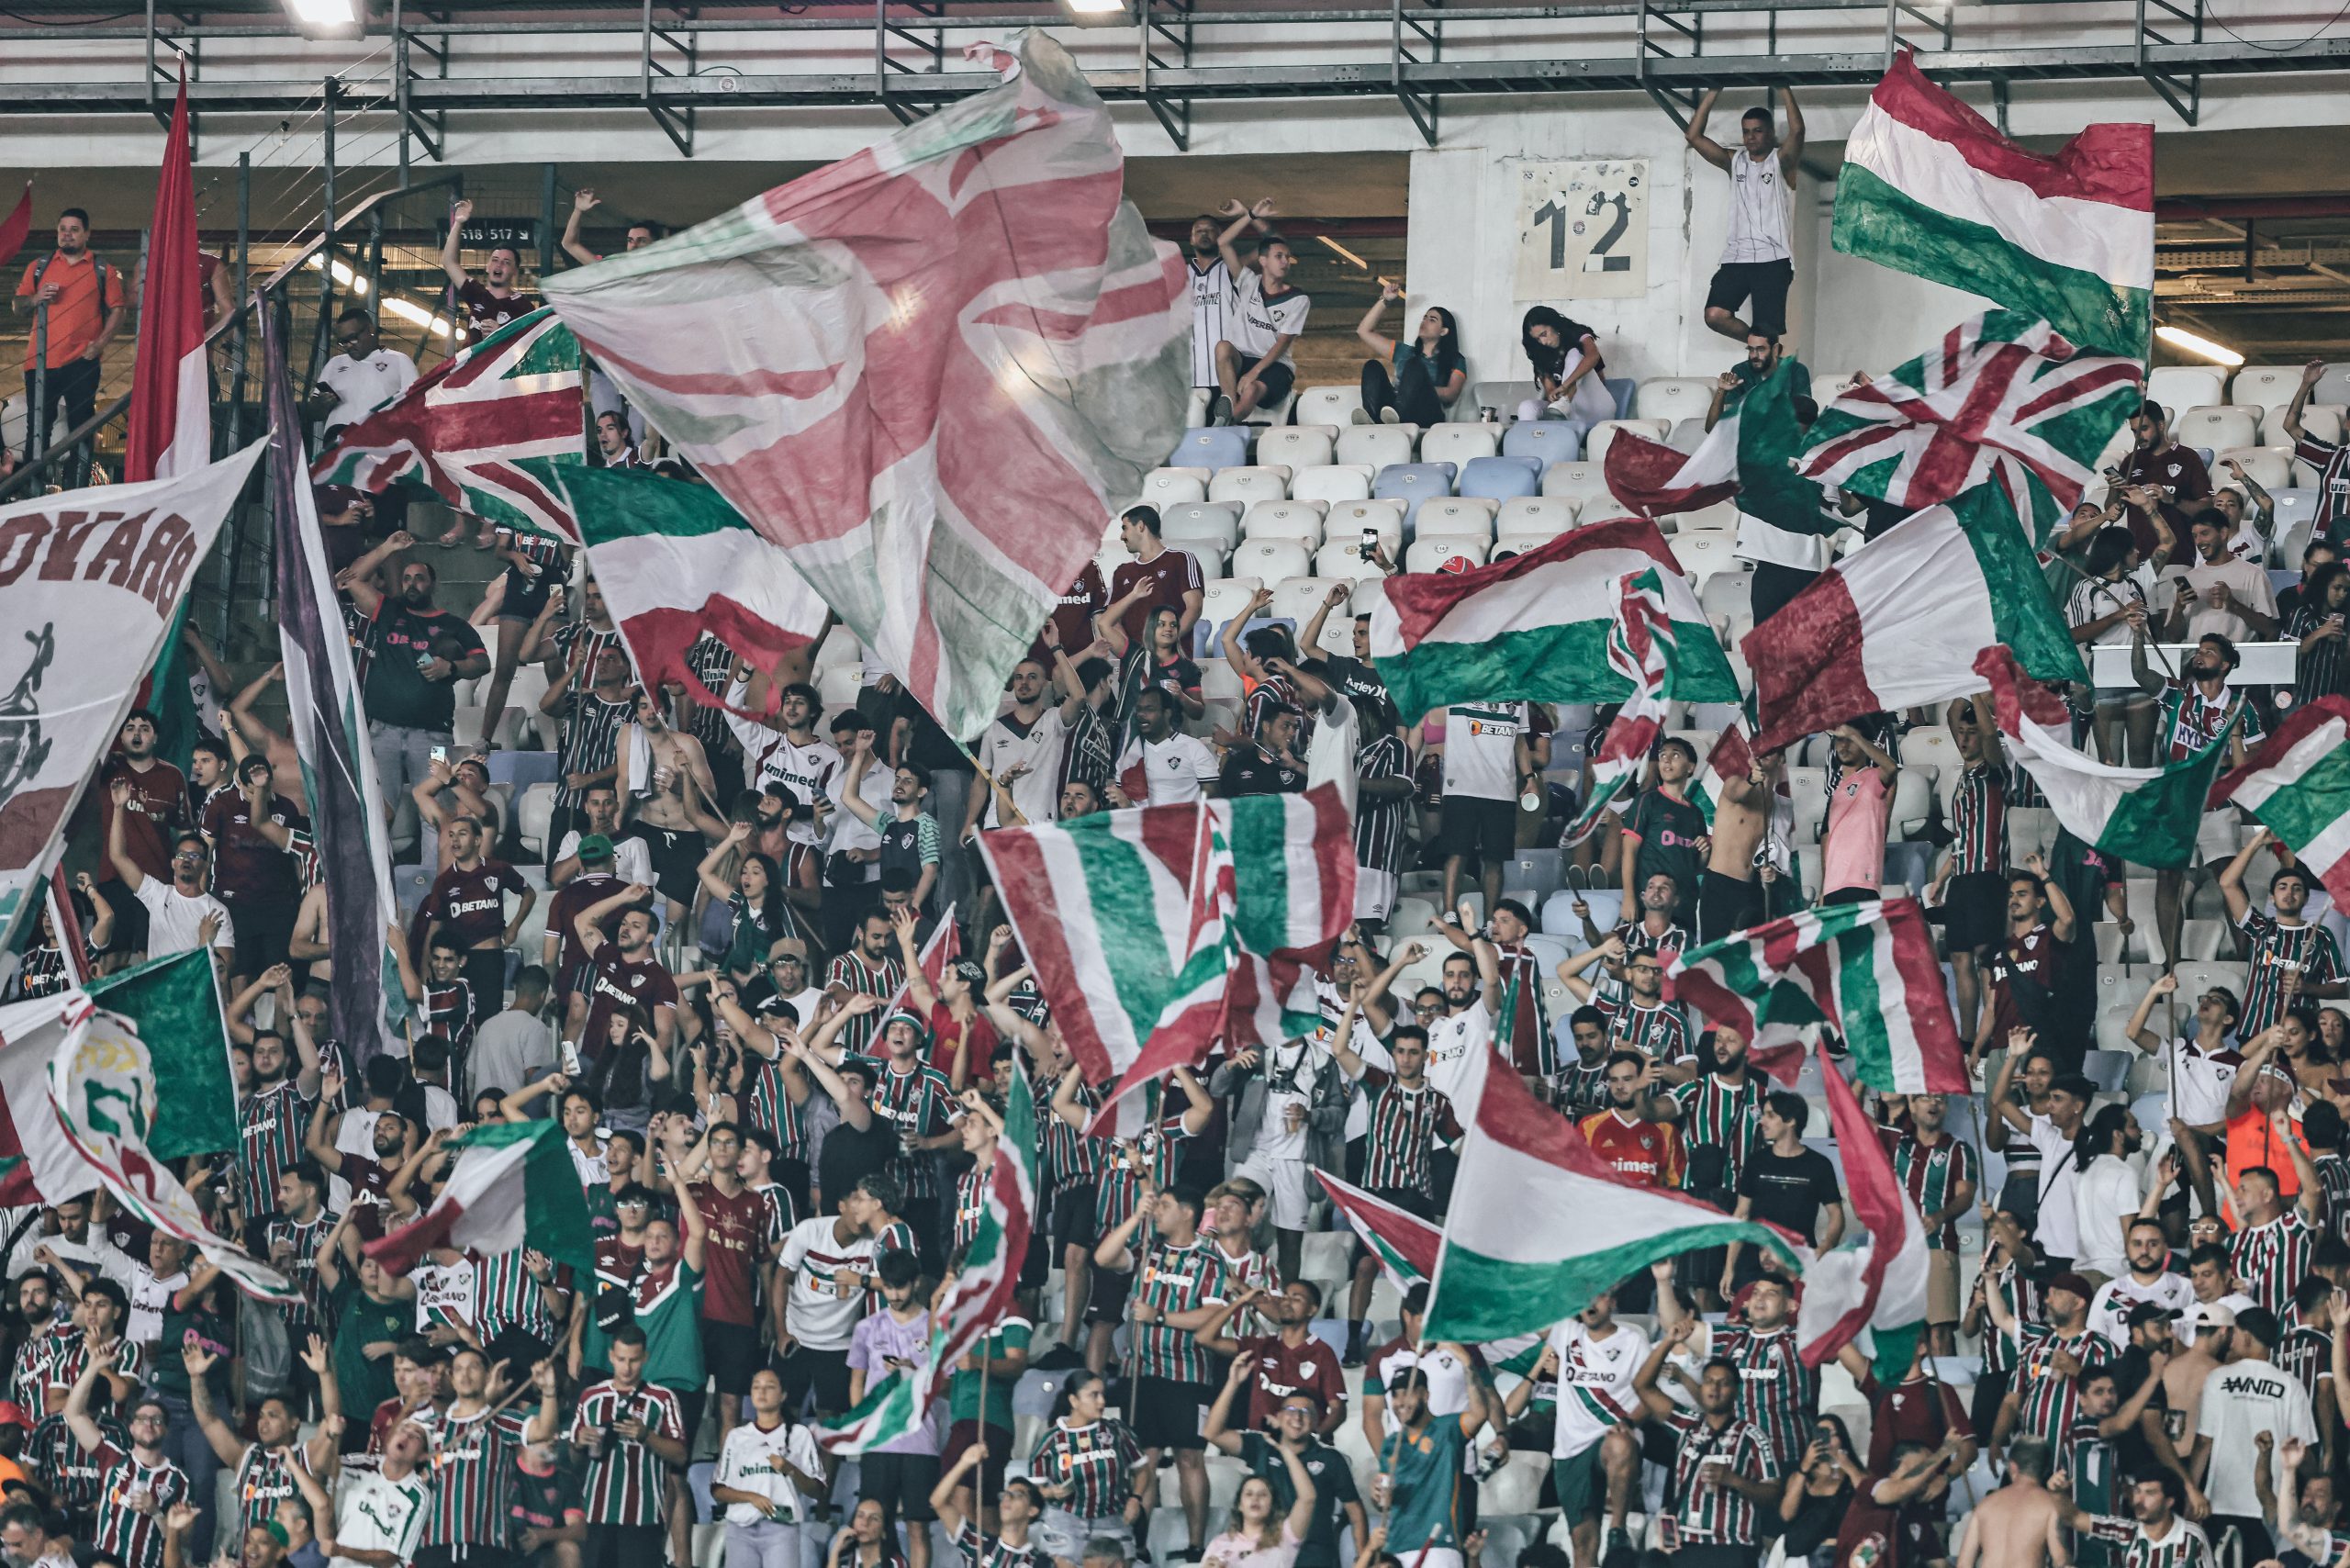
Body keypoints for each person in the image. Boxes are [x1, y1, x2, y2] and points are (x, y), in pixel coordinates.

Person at [343, 534, 491, 824]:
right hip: (383, 732)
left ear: (432, 584)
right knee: (377, 812)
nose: (412, 584)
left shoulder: (453, 624)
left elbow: (482, 663)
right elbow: (350, 579)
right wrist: (387, 548)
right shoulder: (387, 610)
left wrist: (450, 667)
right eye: (407, 578)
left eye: (420, 578)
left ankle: (438, 871)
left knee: (436, 810)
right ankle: (378, 871)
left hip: (434, 735)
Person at [1626, 1326, 1786, 1568]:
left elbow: (1773, 1493)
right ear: (1702, 1388)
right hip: (1684, 1544)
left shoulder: (1753, 1436)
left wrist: (1735, 1480)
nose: (1715, 1388)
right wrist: (1668, 1340)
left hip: (1732, 1546)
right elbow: (1642, 1386)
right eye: (1709, 1381)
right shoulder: (1686, 1426)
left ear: (1736, 1391)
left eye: (1723, 1383)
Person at [2191, 1305, 2315, 1562]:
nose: (2231, 1340)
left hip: (2221, 1503)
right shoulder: (2291, 1386)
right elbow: (2303, 1451)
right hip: (2273, 1508)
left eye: (2235, 1334)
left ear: (2247, 1337)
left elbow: (2204, 1443)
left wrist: (2190, 1493)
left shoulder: (2218, 1378)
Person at [13, 207, 125, 487]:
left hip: (82, 361)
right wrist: (37, 297)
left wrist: (100, 344)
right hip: (40, 361)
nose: (67, 235)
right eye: (63, 229)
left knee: (82, 429)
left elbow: (119, 310)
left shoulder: (103, 269)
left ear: (86, 233)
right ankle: (32, 493)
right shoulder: (38, 267)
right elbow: (18, 306)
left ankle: (76, 494)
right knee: (36, 430)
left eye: (74, 230)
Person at [1684, 88, 1804, 343]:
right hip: (1737, 257)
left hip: (1773, 258)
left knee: (1766, 328)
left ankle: (1765, 349)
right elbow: (1693, 136)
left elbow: (1797, 132)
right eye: (1746, 131)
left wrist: (1784, 89)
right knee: (1714, 315)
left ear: (1770, 133)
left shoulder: (1781, 161)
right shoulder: (1734, 161)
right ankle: (1763, 346)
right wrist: (1713, 92)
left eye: (1757, 130)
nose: (1751, 137)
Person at [1372, 1364, 1494, 1568]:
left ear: (1425, 1395)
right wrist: (1376, 1496)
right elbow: (1385, 1501)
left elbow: (1480, 1414)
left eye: (1408, 1393)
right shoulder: (1391, 1444)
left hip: (1438, 1543)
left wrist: (1466, 1363)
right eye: (1396, 1395)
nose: (1401, 1402)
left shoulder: (1448, 1428)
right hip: (1396, 1548)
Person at [106, 784, 233, 973]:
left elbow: (224, 971)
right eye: (182, 855)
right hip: (161, 995)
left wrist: (203, 943)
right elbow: (118, 856)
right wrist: (118, 808)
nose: (187, 860)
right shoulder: (158, 894)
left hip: (193, 994)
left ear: (205, 865)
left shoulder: (216, 910)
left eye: (194, 856)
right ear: (173, 862)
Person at [1439, 699, 1548, 915]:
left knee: (1495, 859)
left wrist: (1529, 777)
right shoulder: (1462, 686)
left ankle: (1491, 921)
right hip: (1461, 787)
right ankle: (1449, 913)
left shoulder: (1517, 696)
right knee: (1457, 853)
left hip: (1501, 789)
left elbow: (1519, 741)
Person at [1026, 1370, 1148, 1561]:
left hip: (1113, 1520)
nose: (1102, 1402)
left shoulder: (1116, 1431)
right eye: (1094, 1395)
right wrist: (1051, 1492)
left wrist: (1135, 1498)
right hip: (1066, 1522)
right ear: (1074, 1401)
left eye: (1102, 1395)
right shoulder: (1052, 1440)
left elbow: (1142, 1471)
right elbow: (1034, 1489)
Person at [711, 1366, 824, 1568]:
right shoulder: (737, 1436)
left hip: (781, 1526)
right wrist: (751, 1497)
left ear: (783, 1395)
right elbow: (718, 1489)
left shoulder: (799, 1434)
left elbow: (817, 1490)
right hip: (741, 1527)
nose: (761, 1392)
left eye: (769, 1387)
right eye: (756, 1387)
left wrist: (791, 1469)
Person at [1208, 200, 1307, 427]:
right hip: (1243, 358)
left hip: (1275, 366)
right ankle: (1228, 407)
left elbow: (1282, 343)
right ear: (1262, 261)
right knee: (1222, 347)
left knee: (1251, 388)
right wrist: (1249, 214)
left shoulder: (1298, 299)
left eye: (1287, 257)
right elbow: (1223, 242)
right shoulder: (1247, 282)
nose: (1285, 262)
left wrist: (1253, 373)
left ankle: (1226, 423)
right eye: (1279, 257)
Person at [1199, 1418, 1318, 1568]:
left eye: (1263, 1494)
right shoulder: (1220, 1543)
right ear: (1239, 1505)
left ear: (1272, 1505)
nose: (1255, 1498)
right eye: (1249, 1494)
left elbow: (1308, 1498)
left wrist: (1284, 1449)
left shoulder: (1285, 1536)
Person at [2116, 399, 2217, 567]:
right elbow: (2115, 511)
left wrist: (2172, 499)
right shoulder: (2131, 461)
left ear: (2161, 425)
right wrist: (2115, 487)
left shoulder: (2187, 457)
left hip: (2177, 559)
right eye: (2134, 431)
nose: (2139, 437)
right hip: (2137, 563)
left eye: (2144, 429)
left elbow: (2207, 509)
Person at [1354, 282, 1463, 427]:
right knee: (1372, 366)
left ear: (1444, 331)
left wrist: (1416, 387)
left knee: (1414, 366)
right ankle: (1372, 418)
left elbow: (1451, 394)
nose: (1425, 322)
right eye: (1424, 318)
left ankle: (1398, 414)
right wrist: (1385, 299)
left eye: (1432, 320)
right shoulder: (1404, 352)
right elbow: (1363, 331)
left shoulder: (1456, 359)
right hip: (1393, 410)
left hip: (1427, 414)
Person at [930, 1441, 1050, 1568]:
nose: (1007, 1498)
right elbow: (938, 1502)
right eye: (1005, 1494)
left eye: (1017, 1495)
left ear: (1032, 1510)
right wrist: (964, 1463)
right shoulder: (977, 1544)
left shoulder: (1041, 1563)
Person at [1951, 1437, 2066, 1568]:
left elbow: (1963, 1564)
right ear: (2046, 1470)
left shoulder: (1986, 1505)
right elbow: (2061, 1561)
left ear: (2012, 1467)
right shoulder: (2050, 1505)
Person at [1819, 721, 1897, 903]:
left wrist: (1856, 735)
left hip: (1862, 882)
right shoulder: (1835, 795)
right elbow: (1827, 842)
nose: (1844, 746)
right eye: (1840, 740)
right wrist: (1823, 889)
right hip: (1833, 887)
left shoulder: (1873, 778)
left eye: (1850, 740)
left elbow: (1891, 767)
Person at [307, 308, 418, 436]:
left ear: (370, 330)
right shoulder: (334, 364)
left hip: (380, 446)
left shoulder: (399, 361)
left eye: (353, 338)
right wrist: (321, 404)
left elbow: (415, 407)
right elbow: (313, 413)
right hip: (338, 447)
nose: (348, 346)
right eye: (343, 342)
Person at [440, 198, 542, 336]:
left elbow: (528, 346)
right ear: (487, 267)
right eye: (495, 260)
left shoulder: (524, 308)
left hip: (503, 358)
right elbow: (449, 262)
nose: (499, 264)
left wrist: (500, 334)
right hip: (474, 358)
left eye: (506, 262)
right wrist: (458, 223)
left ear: (515, 271)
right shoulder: (477, 293)